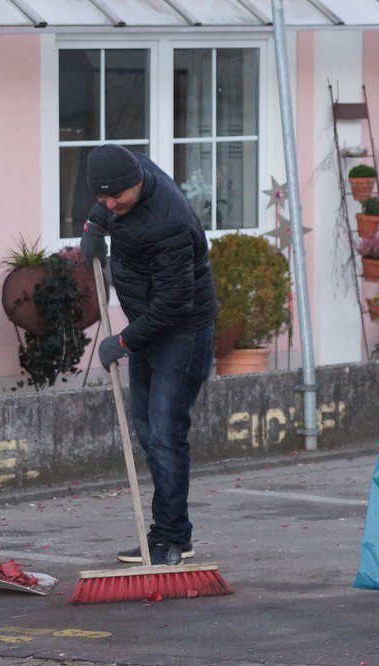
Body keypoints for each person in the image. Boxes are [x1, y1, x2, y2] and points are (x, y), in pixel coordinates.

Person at [79, 144, 217, 567]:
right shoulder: (127, 173)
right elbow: (107, 201)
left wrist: (122, 342)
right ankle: (169, 533)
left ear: (137, 182)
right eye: (102, 197)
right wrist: (93, 226)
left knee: (165, 432)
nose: (110, 204)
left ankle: (172, 538)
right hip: (149, 326)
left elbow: (175, 304)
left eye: (116, 197)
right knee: (147, 430)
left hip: (182, 331)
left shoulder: (168, 222)